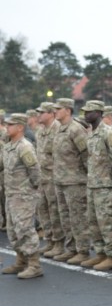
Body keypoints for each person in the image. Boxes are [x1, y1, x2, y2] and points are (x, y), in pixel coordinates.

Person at [81, 100, 112, 271]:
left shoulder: (108, 132)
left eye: (89, 112)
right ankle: (100, 253)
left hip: (105, 185)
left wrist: (111, 174)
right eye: (85, 112)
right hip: (92, 184)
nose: (86, 115)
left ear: (99, 113)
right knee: (94, 222)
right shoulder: (91, 133)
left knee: (107, 221)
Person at [0, 114, 42, 279]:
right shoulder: (9, 146)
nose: (7, 127)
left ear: (20, 127)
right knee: (12, 230)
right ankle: (21, 260)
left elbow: (35, 171)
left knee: (25, 229)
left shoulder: (25, 147)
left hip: (23, 195)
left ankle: (35, 264)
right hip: (11, 194)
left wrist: (31, 189)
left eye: (11, 125)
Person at [52, 98, 90, 264]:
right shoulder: (60, 129)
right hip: (61, 180)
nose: (55, 111)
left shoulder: (76, 129)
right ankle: (71, 248)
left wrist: (86, 176)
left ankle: (83, 250)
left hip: (75, 181)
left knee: (77, 217)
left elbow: (86, 154)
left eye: (58, 109)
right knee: (65, 217)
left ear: (68, 110)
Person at [35, 102, 62, 255]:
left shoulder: (58, 129)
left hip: (54, 177)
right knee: (43, 210)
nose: (39, 115)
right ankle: (50, 240)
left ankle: (59, 243)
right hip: (42, 177)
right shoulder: (40, 131)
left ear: (51, 114)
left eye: (42, 112)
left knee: (55, 211)